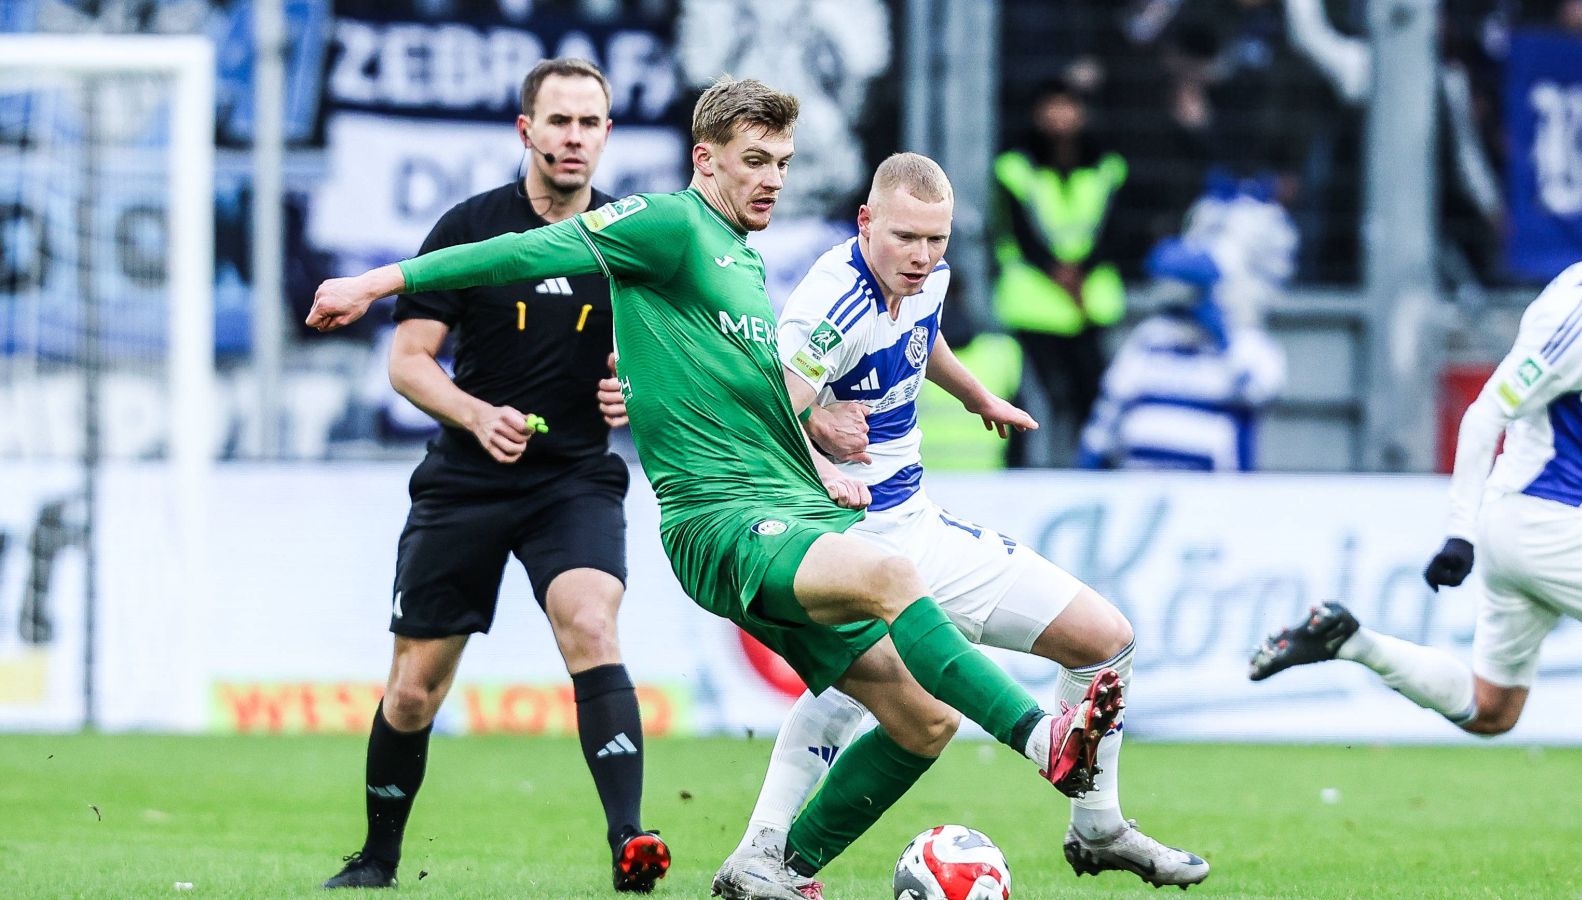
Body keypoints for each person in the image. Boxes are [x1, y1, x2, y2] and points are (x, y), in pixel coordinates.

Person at [307, 76, 1124, 900]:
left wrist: (815, 448)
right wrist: (375, 284)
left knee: (923, 720)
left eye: (784, 162)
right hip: (722, 522)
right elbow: (522, 251)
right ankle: (1039, 738)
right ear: (707, 159)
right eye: (755, 160)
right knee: (893, 577)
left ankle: (771, 872)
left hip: (784, 505)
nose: (773, 178)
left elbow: (734, 383)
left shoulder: (740, 258)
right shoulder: (669, 223)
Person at [682, 152, 1209, 892]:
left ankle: (1098, 829)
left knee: (1105, 640)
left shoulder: (927, 278)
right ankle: (767, 857)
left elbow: (923, 338)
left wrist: (974, 395)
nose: (923, 257)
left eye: (937, 240)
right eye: (905, 238)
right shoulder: (827, 307)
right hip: (845, 541)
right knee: (853, 697)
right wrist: (824, 461)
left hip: (918, 527)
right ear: (866, 223)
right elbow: (770, 411)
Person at [320, 59, 669, 893]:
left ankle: (631, 840)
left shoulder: (630, 240)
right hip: (466, 482)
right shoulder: (470, 228)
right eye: (560, 122)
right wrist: (476, 414)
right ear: (527, 130)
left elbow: (668, 361)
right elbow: (408, 364)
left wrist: (638, 387)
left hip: (574, 479)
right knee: (413, 691)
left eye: (591, 123)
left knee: (592, 620)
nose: (575, 137)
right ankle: (376, 858)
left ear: (608, 134)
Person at [1250, 255, 1582, 737]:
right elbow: (1485, 414)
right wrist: (1460, 532)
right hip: (1553, 526)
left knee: (1490, 710)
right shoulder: (1581, 318)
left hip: (1523, 523)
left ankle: (1350, 641)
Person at [1078, 173, 1292, 471]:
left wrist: (1223, 337)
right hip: (1136, 491)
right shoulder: (1151, 337)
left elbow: (1258, 388)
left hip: (1207, 502)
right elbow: (1109, 411)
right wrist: (1088, 463)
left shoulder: (1249, 346)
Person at [991, 80, 1129, 467]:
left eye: (1067, 106)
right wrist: (1066, 277)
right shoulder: (1015, 166)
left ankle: (1091, 470)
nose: (1060, 116)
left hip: (1090, 306)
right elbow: (1017, 232)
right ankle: (1042, 472)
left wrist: (1080, 274)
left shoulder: (1107, 166)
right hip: (1035, 307)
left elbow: (1115, 230)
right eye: (1052, 106)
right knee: (1042, 401)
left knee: (1094, 399)